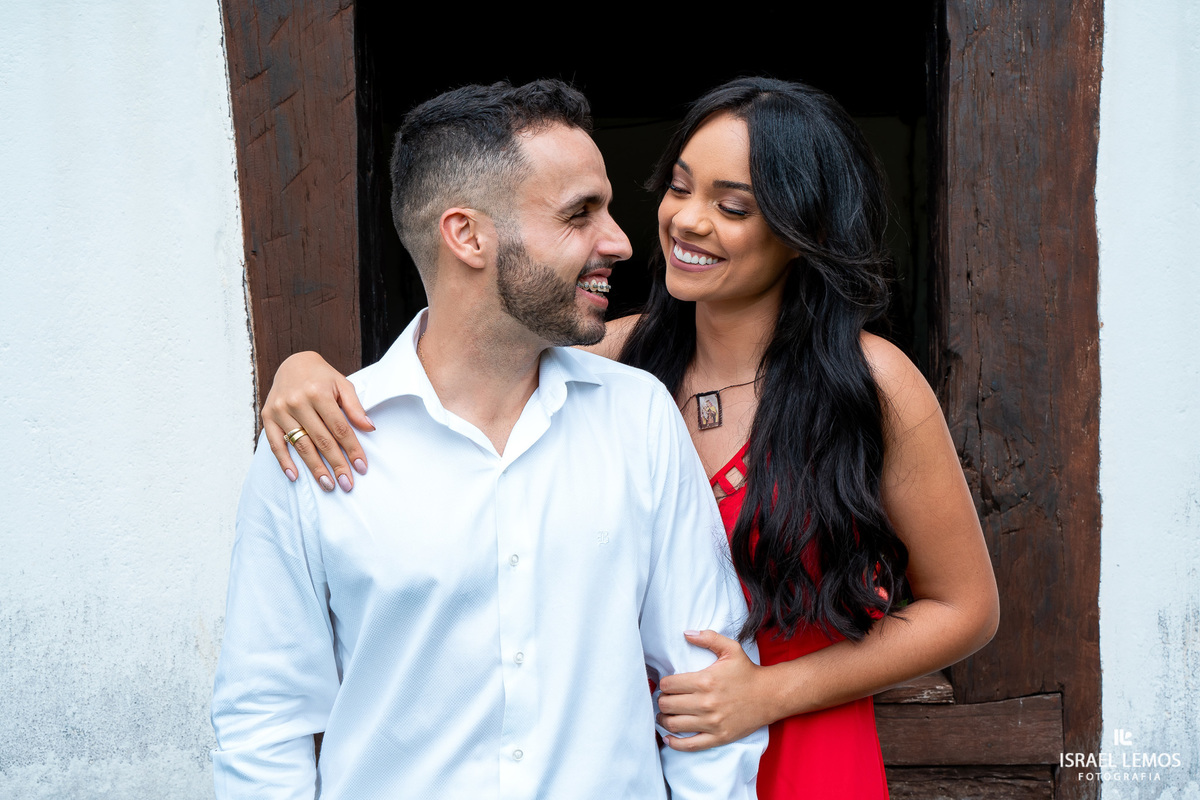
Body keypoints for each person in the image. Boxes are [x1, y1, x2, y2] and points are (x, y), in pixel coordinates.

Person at [262, 77, 1000, 799]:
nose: (686, 220)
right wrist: (305, 370)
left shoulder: (870, 382)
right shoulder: (613, 362)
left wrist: (766, 694)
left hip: (802, 734)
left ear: (801, 234)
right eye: (680, 188)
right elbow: (467, 353)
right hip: (633, 747)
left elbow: (965, 608)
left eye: (732, 205)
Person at [211, 79, 767, 799]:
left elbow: (708, 687)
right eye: (579, 214)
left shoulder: (640, 419)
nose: (621, 242)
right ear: (467, 235)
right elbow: (265, 721)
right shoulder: (313, 441)